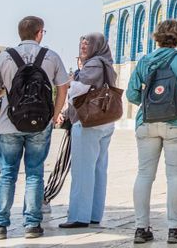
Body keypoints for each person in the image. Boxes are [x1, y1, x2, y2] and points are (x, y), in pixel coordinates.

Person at [0, 16, 70, 240]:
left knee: (7, 174)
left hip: (8, 124)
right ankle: (32, 224)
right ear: (39, 33)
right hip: (40, 124)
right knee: (35, 173)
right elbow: (63, 88)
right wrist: (54, 114)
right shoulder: (50, 56)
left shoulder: (5, 57)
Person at [126, 19, 177, 245]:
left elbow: (131, 95)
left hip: (147, 123)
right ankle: (174, 229)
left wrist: (148, 100)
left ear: (157, 37)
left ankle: (141, 228)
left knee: (144, 175)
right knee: (175, 175)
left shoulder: (145, 61)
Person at [60, 32, 118, 228]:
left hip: (89, 123)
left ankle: (79, 216)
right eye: (82, 44)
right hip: (105, 121)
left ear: (96, 46)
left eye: (87, 44)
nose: (84, 47)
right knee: (98, 169)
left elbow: (78, 89)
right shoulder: (107, 62)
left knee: (83, 170)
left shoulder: (94, 64)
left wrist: (70, 82)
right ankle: (94, 213)